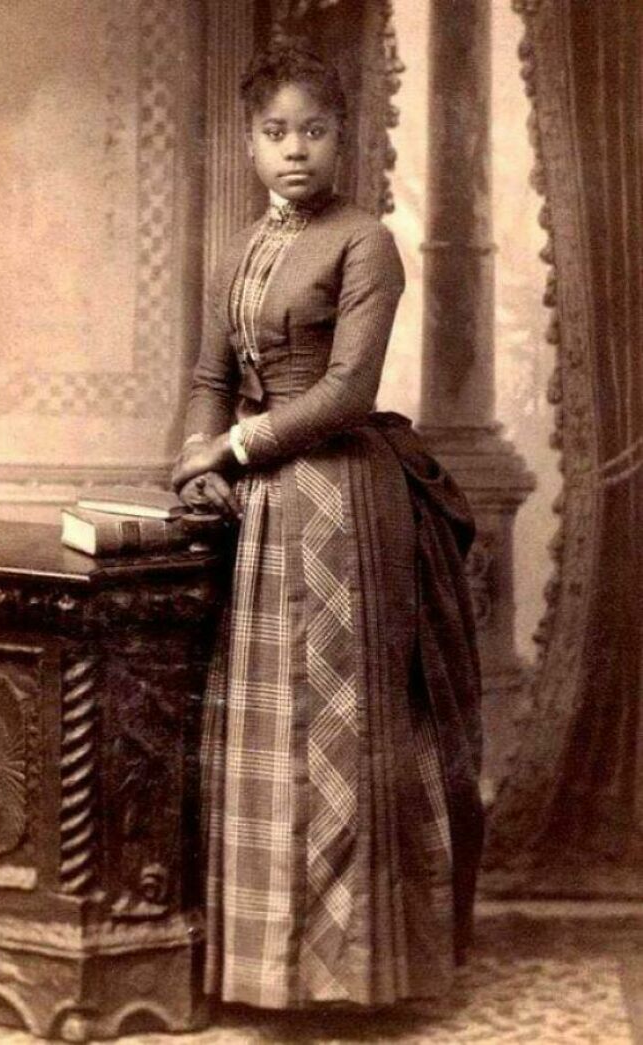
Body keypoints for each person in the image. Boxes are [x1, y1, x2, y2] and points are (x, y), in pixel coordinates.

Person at [171, 44, 483, 1011]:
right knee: (269, 728)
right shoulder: (237, 250)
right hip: (260, 509)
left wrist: (233, 447)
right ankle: (264, 970)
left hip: (342, 504)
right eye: (275, 133)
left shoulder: (366, 242)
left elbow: (348, 390)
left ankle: (354, 974)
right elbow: (209, 378)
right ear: (250, 144)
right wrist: (197, 462)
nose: (295, 150)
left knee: (338, 732)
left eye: (313, 130)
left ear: (343, 138)